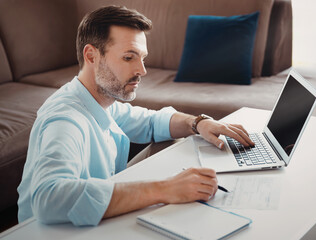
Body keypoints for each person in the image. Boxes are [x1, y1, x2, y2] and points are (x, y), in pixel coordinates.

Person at [17, 6, 254, 226]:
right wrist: (166, 189)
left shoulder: (103, 101)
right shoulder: (65, 120)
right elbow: (49, 197)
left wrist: (198, 122)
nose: (142, 70)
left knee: (172, 140)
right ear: (91, 56)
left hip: (90, 223)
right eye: (129, 58)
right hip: (51, 233)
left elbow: (152, 122)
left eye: (143, 58)